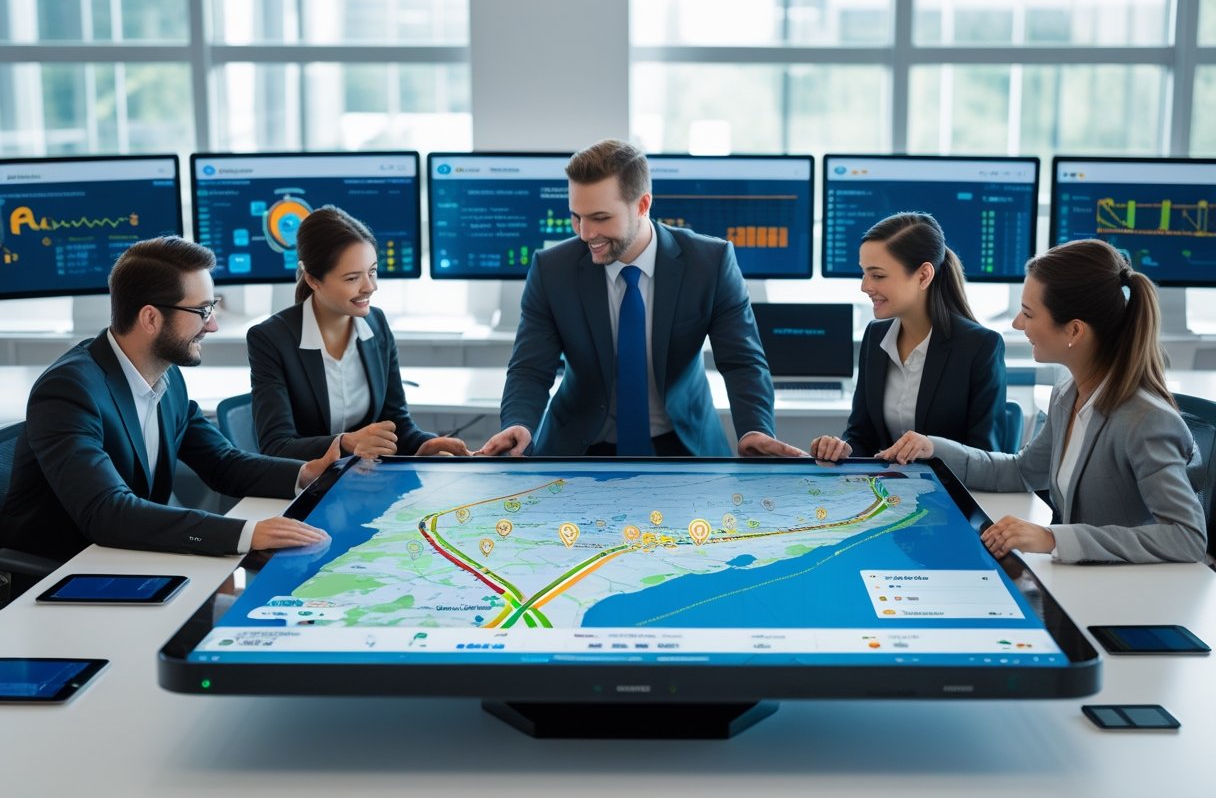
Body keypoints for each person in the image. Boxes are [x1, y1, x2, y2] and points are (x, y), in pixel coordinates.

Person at [0, 236, 335, 571]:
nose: (213, 325)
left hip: (132, 556)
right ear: (150, 319)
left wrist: (307, 474)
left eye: (213, 307)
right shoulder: (69, 390)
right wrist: (248, 533)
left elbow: (222, 462)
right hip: (62, 573)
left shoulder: (167, 376)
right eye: (203, 310)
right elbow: (107, 511)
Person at [878, 239, 1207, 564]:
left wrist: (1053, 538)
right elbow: (1021, 471)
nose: (1017, 324)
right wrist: (933, 448)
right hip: (1082, 581)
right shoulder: (1068, 393)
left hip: (1131, 597)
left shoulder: (1145, 419)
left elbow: (1186, 536)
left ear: (1074, 332)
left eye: (1028, 314)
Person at [480, 139, 802, 458]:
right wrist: (519, 423)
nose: (585, 233)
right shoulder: (552, 270)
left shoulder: (710, 263)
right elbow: (530, 369)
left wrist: (755, 428)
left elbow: (742, 362)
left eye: (601, 217)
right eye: (577, 216)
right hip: (581, 444)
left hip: (682, 443)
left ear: (642, 205)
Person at [247, 206, 468, 460]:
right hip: (305, 486)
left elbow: (398, 426)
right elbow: (276, 446)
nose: (370, 287)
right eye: (352, 278)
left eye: (372, 272)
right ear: (313, 280)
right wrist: (345, 443)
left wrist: (427, 445)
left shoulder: (376, 324)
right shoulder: (271, 339)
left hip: (365, 481)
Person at [809, 212, 1005, 460]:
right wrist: (844, 449)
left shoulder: (980, 347)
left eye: (878, 275)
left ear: (923, 275)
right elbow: (861, 435)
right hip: (889, 492)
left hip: (948, 492)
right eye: (864, 273)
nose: (865, 286)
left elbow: (986, 457)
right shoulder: (875, 336)